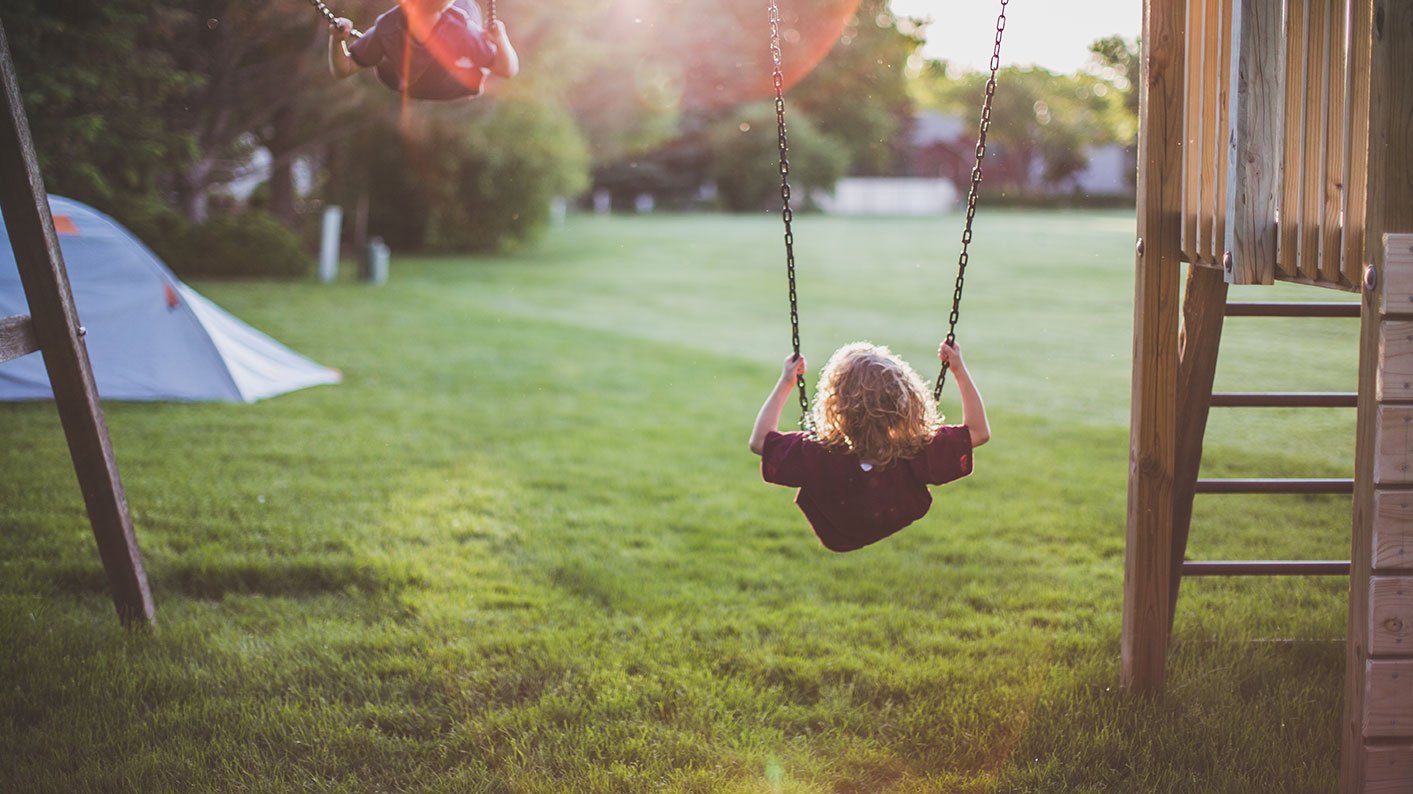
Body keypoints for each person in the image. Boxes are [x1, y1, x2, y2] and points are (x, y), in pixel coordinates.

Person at [749, 340, 990, 552]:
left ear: (836, 404)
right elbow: (978, 432)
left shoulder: (819, 453)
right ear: (904, 400)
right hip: (896, 514)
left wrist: (786, 382)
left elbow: (760, 441)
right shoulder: (914, 448)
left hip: (835, 528)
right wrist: (958, 370)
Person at [328, 0, 519, 101]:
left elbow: (344, 69)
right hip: (446, 81)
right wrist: (501, 40)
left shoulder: (386, 28)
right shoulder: (462, 29)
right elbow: (507, 70)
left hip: (412, 84)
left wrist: (337, 40)